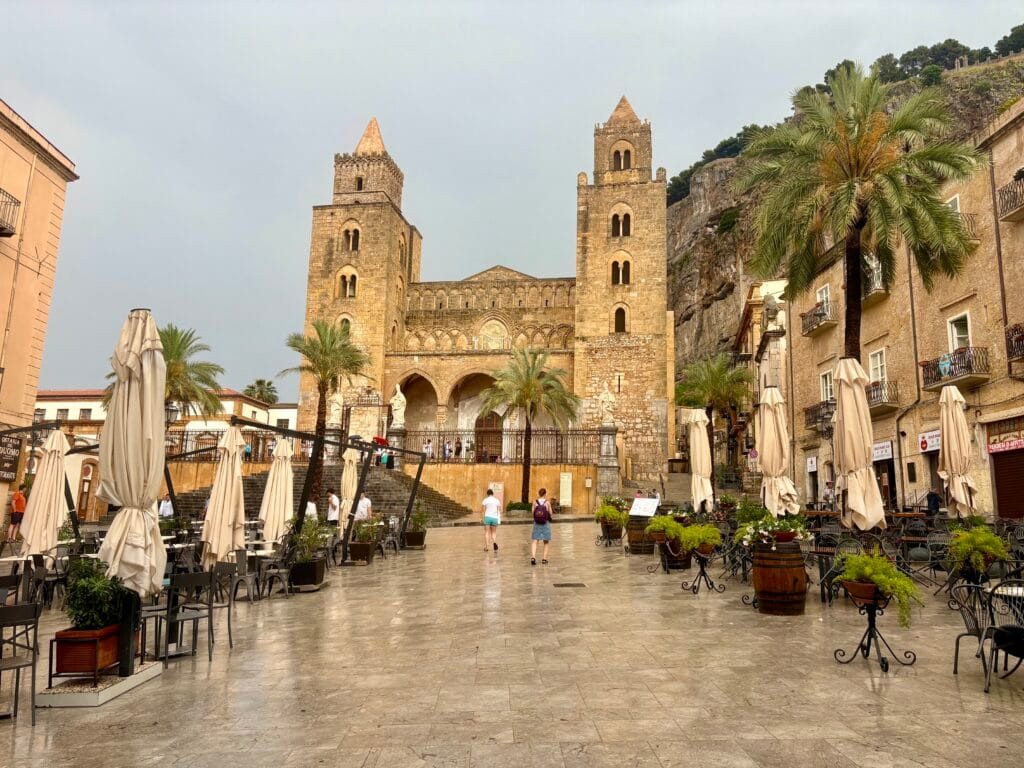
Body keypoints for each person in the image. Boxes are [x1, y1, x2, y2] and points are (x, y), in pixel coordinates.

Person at [530, 487, 553, 565]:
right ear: (545, 494)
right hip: (545, 523)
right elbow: (551, 513)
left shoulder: (535, 502)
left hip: (536, 523)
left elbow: (533, 513)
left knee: (535, 541)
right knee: (546, 541)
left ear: (539, 494)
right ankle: (544, 559)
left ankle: (533, 557)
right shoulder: (547, 503)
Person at [481, 488, 501, 552]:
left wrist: (482, 518)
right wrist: (498, 518)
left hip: (487, 517)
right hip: (494, 518)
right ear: (493, 494)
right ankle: (494, 542)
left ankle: (487, 547)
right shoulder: (497, 500)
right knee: (494, 532)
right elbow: (499, 510)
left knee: (487, 532)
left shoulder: (485, 500)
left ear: (487, 494)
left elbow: (483, 510)